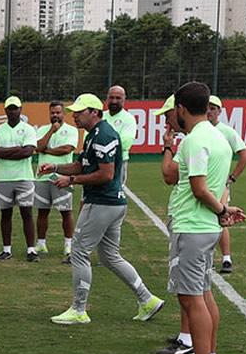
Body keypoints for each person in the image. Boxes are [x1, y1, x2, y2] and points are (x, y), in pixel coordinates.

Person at [39, 94, 165, 326]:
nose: (74, 116)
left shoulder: (103, 134)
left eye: (80, 111)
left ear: (95, 112)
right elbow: (80, 164)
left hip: (103, 202)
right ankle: (147, 299)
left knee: (78, 251)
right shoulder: (93, 135)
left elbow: (106, 174)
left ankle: (79, 309)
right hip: (110, 202)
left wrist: (72, 180)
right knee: (109, 257)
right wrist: (56, 167)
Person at [154, 85, 246, 354]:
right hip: (205, 226)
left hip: (193, 226)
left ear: (180, 108)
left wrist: (221, 209)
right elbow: (213, 185)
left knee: (190, 297)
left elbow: (199, 188)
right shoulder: (218, 137)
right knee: (203, 294)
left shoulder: (194, 140)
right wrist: (222, 209)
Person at [0, 96, 38, 262]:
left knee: (27, 213)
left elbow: (28, 151)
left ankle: (31, 250)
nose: (13, 111)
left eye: (15, 108)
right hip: (3, 178)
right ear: (5, 110)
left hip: (24, 177)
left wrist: (6, 152)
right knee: (5, 214)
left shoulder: (29, 129)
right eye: (10, 108)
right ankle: (6, 249)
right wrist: (17, 149)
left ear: (21, 109)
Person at [208, 95, 246, 274]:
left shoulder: (227, 131)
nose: (209, 111)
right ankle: (207, 257)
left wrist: (232, 177)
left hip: (219, 185)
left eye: (213, 108)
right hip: (202, 181)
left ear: (219, 111)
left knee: (222, 217)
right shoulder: (197, 130)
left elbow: (245, 155)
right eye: (207, 107)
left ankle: (226, 258)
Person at [34, 100, 80, 263]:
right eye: (52, 112)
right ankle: (41, 243)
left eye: (58, 112)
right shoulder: (42, 129)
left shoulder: (72, 130)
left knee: (66, 211)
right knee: (42, 211)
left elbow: (67, 149)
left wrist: (48, 150)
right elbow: (38, 147)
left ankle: (68, 244)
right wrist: (51, 132)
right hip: (42, 176)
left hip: (63, 176)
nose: (55, 115)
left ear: (64, 114)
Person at [105, 86, 137, 186]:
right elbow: (88, 138)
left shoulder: (128, 119)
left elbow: (125, 143)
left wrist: (101, 144)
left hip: (118, 162)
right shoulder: (100, 116)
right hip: (97, 162)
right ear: (107, 98)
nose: (114, 101)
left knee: (115, 193)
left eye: (118, 98)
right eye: (111, 97)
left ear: (124, 99)